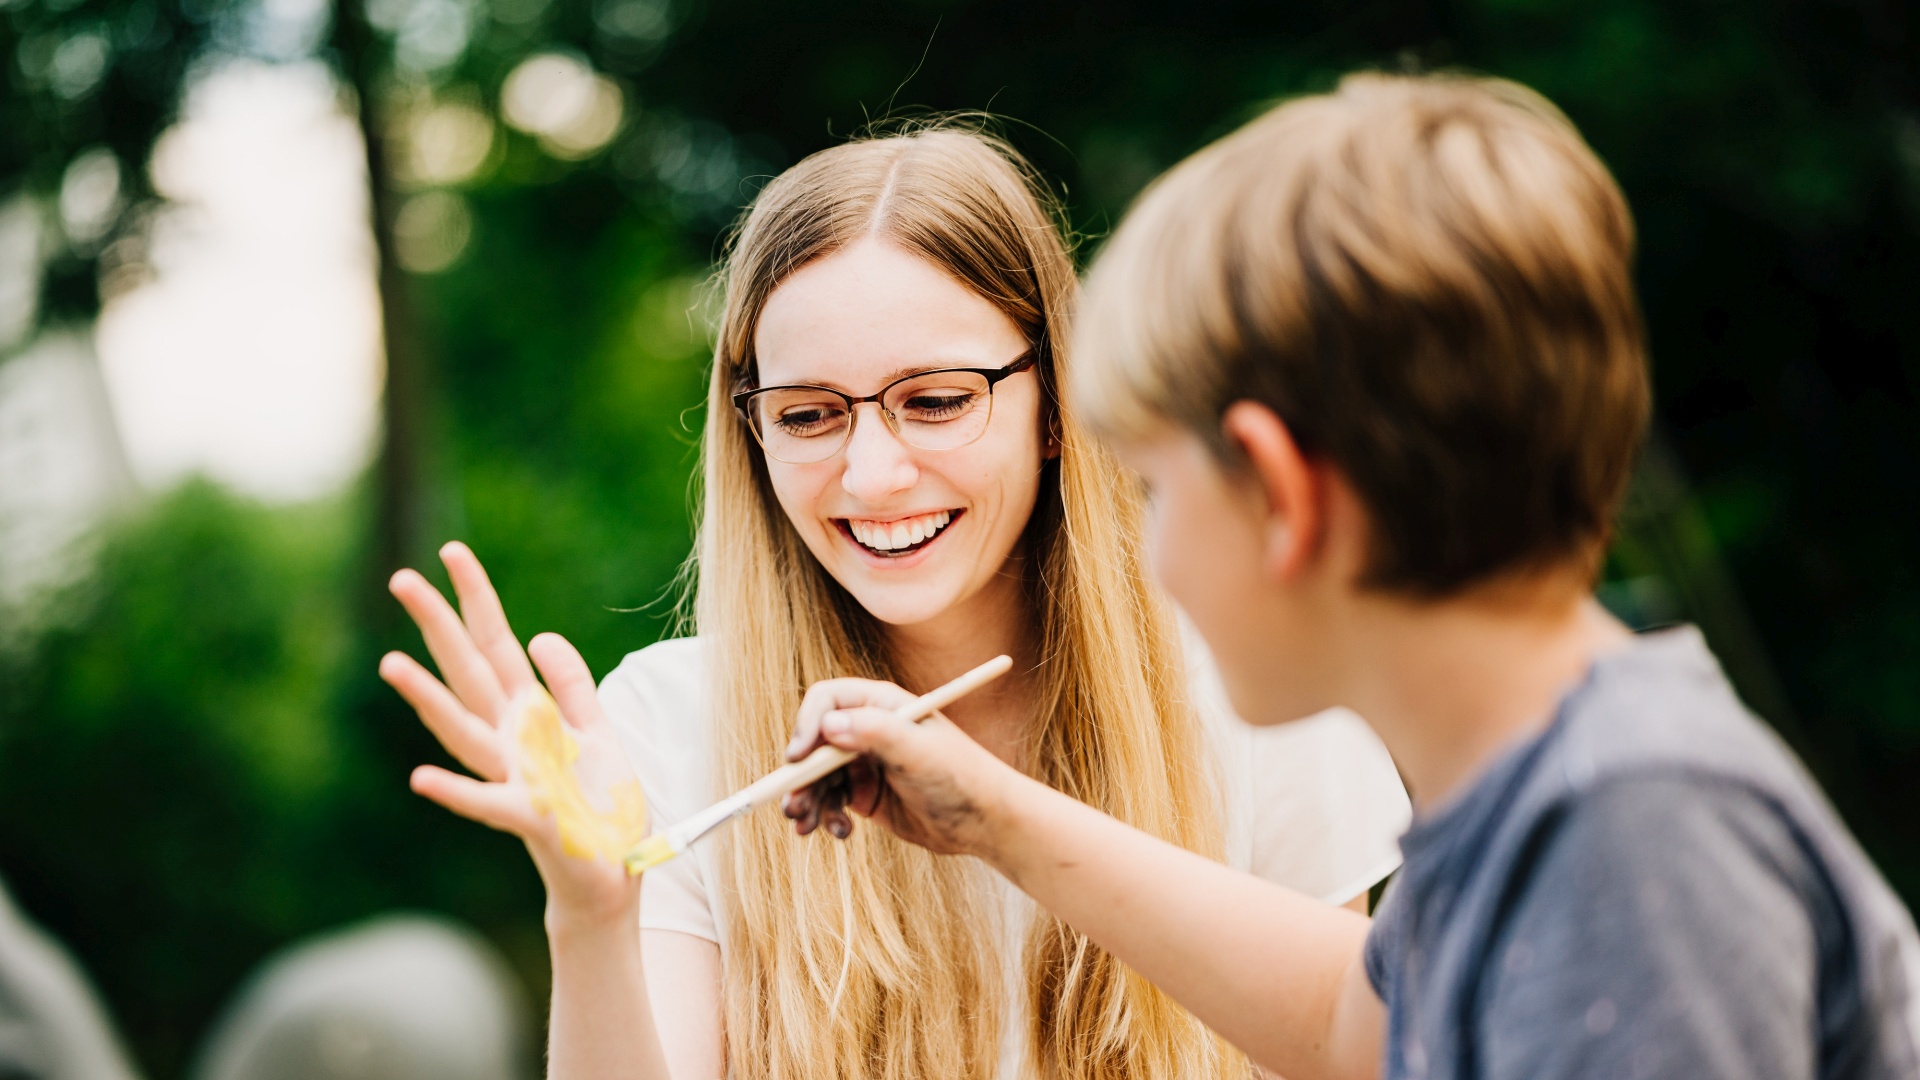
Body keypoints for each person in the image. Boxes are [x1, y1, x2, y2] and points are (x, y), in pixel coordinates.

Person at [781, 74, 1920, 1080]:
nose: (1152, 551)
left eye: (1161, 491)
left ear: (1282, 495)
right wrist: (990, 817)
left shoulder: (1631, 836)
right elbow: (1351, 1031)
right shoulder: (1534, 800)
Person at [378, 124, 1411, 1080]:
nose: (873, 475)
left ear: (1056, 402)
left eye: (937, 401)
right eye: (811, 414)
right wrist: (593, 916)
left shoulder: (1260, 696)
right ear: (753, 432)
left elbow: (1356, 1043)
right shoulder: (669, 722)